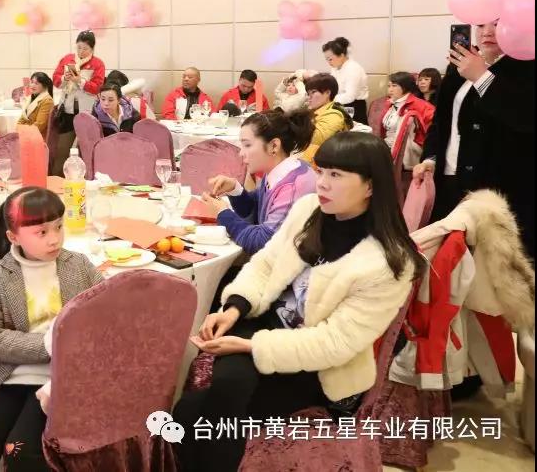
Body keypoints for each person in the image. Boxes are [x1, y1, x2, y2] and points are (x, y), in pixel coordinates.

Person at [173, 132, 423, 472]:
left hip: (318, 366)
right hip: (264, 322)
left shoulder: (389, 262)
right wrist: (234, 308)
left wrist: (249, 347)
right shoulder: (309, 210)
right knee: (212, 400)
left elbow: (335, 343)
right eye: (320, 171)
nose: (322, 183)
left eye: (336, 175)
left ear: (370, 186)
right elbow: (265, 264)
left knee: (198, 409)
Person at [0, 187, 103, 472]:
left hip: (61, 379)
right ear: (13, 237)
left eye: (58, 227)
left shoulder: (79, 265)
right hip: (9, 375)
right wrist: (48, 344)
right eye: (41, 232)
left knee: (19, 452)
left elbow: (105, 315)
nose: (54, 238)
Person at [413, 21, 535, 262]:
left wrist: (481, 77)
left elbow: (524, 118)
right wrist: (431, 158)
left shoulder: (525, 65)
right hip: (448, 179)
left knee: (491, 265)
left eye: (497, 24)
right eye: (480, 24)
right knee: (447, 261)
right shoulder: (459, 65)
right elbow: (441, 122)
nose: (487, 31)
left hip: (498, 187)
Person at [200, 109, 316, 254]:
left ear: (274, 146)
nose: (241, 153)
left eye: (247, 145)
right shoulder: (281, 170)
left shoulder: (293, 187)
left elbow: (262, 243)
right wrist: (235, 189)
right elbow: (256, 211)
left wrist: (222, 213)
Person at [50, 31, 105, 175]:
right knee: (62, 148)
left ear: (92, 48)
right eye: (79, 47)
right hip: (67, 110)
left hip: (87, 112)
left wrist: (80, 81)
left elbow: (97, 88)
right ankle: (58, 179)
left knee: (87, 149)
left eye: (85, 48)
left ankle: (87, 179)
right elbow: (55, 81)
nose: (81, 51)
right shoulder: (67, 59)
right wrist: (65, 78)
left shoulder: (97, 64)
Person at [299, 74, 353, 166]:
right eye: (308, 94)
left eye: (313, 92)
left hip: (323, 165)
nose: (309, 97)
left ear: (327, 93)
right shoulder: (315, 110)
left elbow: (315, 139)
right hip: (310, 159)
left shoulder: (334, 114)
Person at [381, 72, 435, 163]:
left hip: (406, 154)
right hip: (387, 147)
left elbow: (432, 136)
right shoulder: (390, 103)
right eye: (389, 86)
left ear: (405, 87)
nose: (390, 90)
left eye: (394, 86)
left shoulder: (423, 106)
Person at [323, 37, 369, 124]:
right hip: (339, 105)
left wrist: (327, 99)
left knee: (353, 131)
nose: (329, 62)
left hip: (354, 107)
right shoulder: (335, 68)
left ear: (341, 55)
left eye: (330, 59)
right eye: (327, 59)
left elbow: (350, 96)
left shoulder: (353, 69)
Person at [16, 72, 54, 139]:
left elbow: (39, 125)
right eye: (32, 82)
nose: (32, 85)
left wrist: (23, 132)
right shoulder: (30, 98)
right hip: (27, 135)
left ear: (44, 86)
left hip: (37, 138)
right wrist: (19, 130)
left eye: (36, 83)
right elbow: (21, 120)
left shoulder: (47, 101)